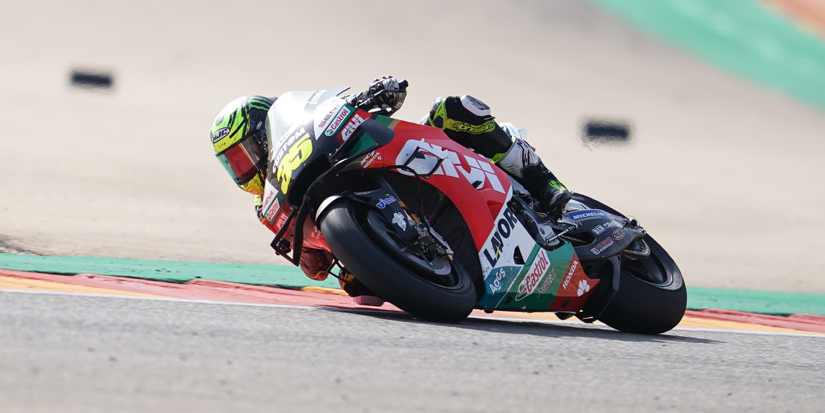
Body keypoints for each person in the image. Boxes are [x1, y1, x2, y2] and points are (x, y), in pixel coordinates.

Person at [210, 77, 572, 283]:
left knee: (450, 110)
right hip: (392, 264)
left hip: (400, 165)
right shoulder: (269, 210)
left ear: (265, 135)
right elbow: (316, 269)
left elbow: (345, 116)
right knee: (361, 296)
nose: (244, 168)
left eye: (245, 154)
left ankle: (541, 181)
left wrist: (374, 94)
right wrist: (319, 256)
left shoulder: (306, 133)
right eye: (234, 164)